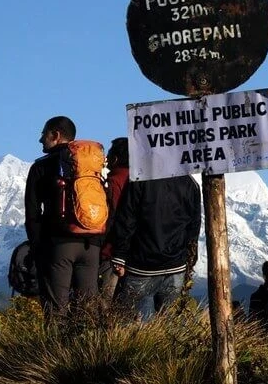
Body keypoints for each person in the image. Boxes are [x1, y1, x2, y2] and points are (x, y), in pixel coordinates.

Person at [24, 116, 102, 314]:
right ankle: (89, 345)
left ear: (56, 135)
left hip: (59, 245)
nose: (41, 140)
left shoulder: (41, 166)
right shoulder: (91, 166)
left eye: (44, 134)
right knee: (87, 310)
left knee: (56, 309)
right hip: (91, 244)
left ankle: (55, 345)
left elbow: (33, 212)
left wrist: (36, 247)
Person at [108, 173, 202, 318]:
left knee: (135, 325)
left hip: (142, 265)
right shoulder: (190, 183)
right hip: (176, 265)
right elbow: (194, 226)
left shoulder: (140, 177)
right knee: (170, 325)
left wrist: (120, 255)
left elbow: (126, 219)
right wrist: (190, 259)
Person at [98, 137, 129, 302]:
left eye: (109, 154)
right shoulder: (140, 180)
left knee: (106, 302)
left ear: (115, 159)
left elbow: (113, 216)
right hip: (137, 254)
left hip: (112, 252)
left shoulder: (114, 182)